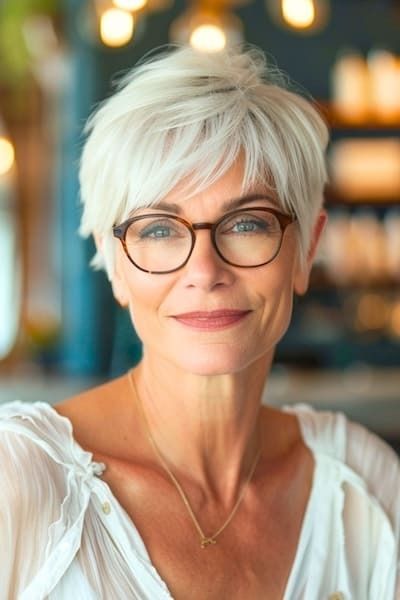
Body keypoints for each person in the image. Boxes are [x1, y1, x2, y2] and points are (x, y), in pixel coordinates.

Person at [1, 45, 399, 600]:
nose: (205, 271)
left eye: (247, 223)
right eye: (159, 229)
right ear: (114, 263)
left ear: (306, 249)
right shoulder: (17, 482)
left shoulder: (366, 491)